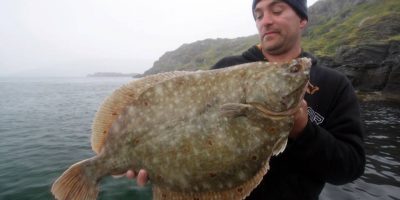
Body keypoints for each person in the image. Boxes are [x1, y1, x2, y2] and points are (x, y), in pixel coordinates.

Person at [127, 0, 366, 199]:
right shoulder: (227, 68)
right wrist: (147, 154)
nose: (266, 20)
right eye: (258, 15)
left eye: (277, 10)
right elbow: (185, 120)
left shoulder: (335, 85)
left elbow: (350, 167)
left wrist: (303, 131)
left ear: (303, 19)